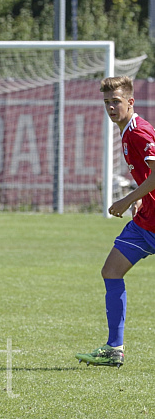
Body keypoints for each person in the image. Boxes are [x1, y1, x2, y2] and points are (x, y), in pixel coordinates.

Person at [76, 76, 155, 368]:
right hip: (147, 222)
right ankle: (114, 349)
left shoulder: (139, 132)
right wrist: (138, 199)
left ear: (130, 102)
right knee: (111, 271)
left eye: (116, 102)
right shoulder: (125, 132)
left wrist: (124, 200)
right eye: (107, 102)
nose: (111, 107)